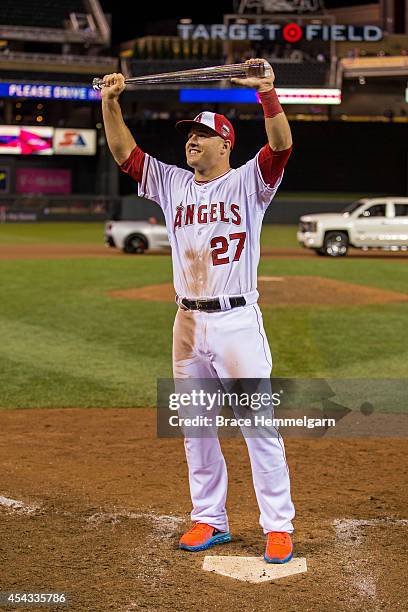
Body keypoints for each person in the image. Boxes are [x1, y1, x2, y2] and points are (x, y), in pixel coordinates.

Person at [101, 58, 295, 564]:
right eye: (189, 134)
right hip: (187, 322)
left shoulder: (250, 182)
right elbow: (126, 153)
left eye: (202, 135)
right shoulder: (172, 183)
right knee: (196, 426)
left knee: (258, 425)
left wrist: (267, 94)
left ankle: (278, 525)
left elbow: (280, 146)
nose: (191, 140)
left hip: (236, 321)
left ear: (225, 143)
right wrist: (110, 101)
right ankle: (210, 518)